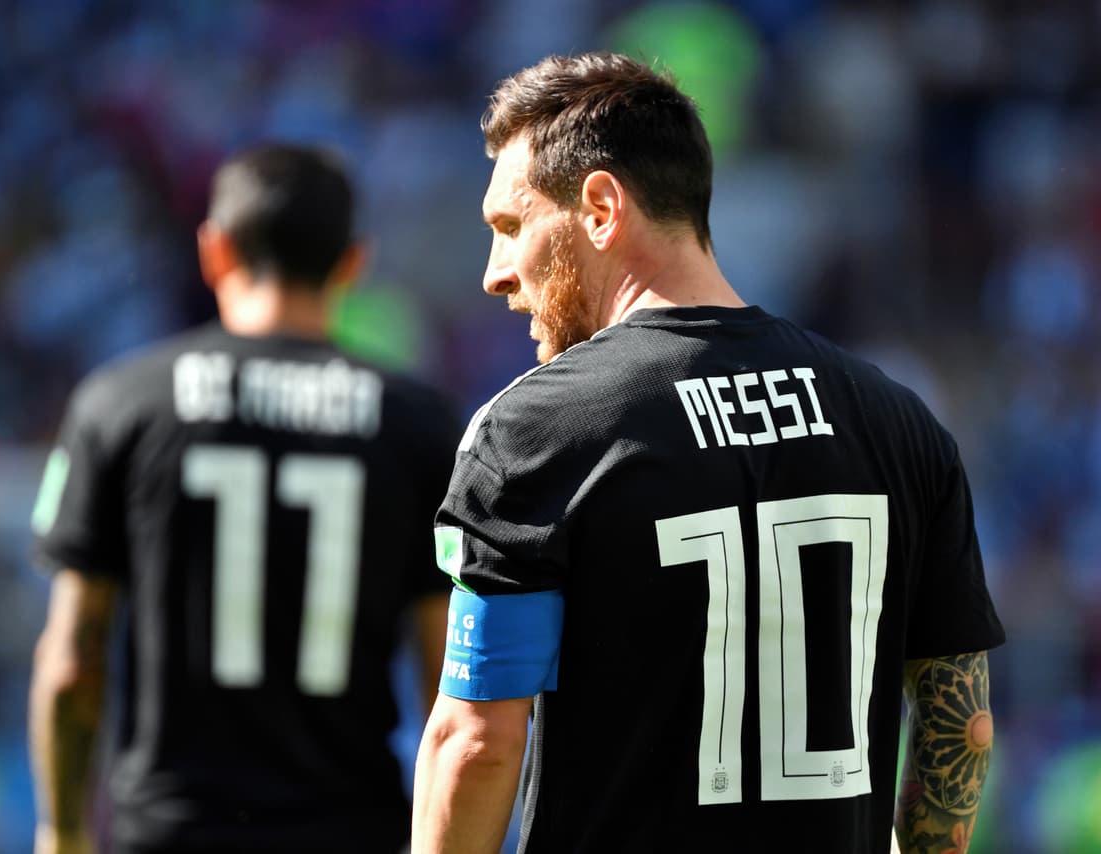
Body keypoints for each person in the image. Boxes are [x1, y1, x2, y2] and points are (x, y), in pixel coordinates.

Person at [411, 52, 1005, 854]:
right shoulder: (896, 419)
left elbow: (477, 743)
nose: (496, 274)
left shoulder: (534, 431)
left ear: (598, 208)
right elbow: (958, 726)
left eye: (511, 228)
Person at [28, 143, 460, 854]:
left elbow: (73, 660)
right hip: (350, 829)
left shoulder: (121, 403)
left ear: (215, 250)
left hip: (170, 830)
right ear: (354, 262)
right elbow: (445, 675)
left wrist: (64, 830)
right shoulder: (418, 425)